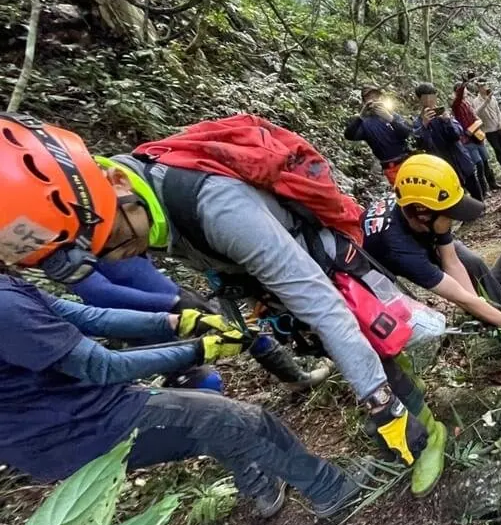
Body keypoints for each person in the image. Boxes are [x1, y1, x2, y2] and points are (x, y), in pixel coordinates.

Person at [0, 112, 445, 497]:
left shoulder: (218, 208)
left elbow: (324, 306)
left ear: (117, 185)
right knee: (340, 346)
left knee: (366, 342)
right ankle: (398, 409)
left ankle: (422, 426)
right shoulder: (135, 201)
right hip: (267, 279)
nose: (119, 257)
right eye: (97, 256)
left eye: (113, 241)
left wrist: (380, 403)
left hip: (320, 269)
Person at [363, 155, 501, 343]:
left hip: (419, 236)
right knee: (406, 328)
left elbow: (451, 261)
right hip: (373, 280)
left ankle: (500, 311)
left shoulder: (420, 206)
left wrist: (478, 302)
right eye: (450, 215)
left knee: (471, 262)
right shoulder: (400, 250)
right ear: (423, 214)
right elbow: (458, 296)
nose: (453, 220)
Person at [69, 256, 224, 392]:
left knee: (203, 377)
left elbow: (138, 267)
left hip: (167, 300)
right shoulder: (60, 238)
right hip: (131, 318)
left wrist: (179, 295)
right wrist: (172, 302)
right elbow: (97, 292)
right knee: (200, 381)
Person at [411, 83, 484, 201]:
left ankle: (480, 206)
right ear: (420, 99)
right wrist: (424, 125)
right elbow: (421, 145)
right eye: (426, 97)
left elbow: (457, 134)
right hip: (442, 163)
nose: (430, 100)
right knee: (456, 190)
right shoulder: (418, 122)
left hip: (460, 156)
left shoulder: (443, 114)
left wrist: (447, 121)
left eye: (432, 96)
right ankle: (466, 214)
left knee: (473, 184)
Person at [343, 85, 412, 185]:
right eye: (369, 97)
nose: (374, 100)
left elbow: (407, 133)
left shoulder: (392, 115)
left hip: (407, 162)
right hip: (390, 166)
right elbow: (349, 135)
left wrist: (390, 119)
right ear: (364, 102)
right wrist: (361, 116)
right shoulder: (364, 123)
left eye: (376, 96)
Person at [453, 81, 501, 187]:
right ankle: (483, 188)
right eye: (463, 90)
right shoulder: (456, 105)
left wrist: (478, 121)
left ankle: (493, 183)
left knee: (485, 161)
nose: (465, 92)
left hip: (477, 135)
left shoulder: (468, 103)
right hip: (468, 139)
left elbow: (474, 115)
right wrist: (463, 84)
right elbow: (458, 97)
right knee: (479, 163)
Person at [474, 81, 501, 176]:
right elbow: (477, 113)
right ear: (479, 88)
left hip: (498, 127)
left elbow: (498, 111)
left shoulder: (493, 98)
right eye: (482, 86)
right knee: (498, 150)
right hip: (489, 130)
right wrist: (486, 102)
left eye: (485, 85)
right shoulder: (476, 101)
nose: (485, 88)